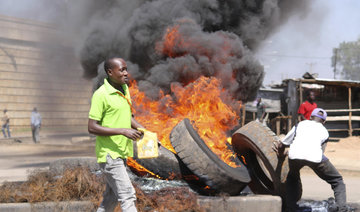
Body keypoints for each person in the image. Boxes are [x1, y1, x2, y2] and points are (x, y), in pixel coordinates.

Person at [88, 58, 144, 212]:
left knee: (110, 199)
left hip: (121, 153)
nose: (126, 73)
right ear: (110, 72)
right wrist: (123, 131)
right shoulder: (101, 95)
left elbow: (128, 117)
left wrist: (145, 131)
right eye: (122, 70)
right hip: (109, 155)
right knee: (127, 195)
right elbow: (92, 127)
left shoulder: (124, 89)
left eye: (126, 69)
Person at [274, 108, 347, 212]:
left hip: (294, 156)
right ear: (324, 122)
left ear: (310, 117)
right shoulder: (325, 131)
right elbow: (321, 152)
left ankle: (291, 208)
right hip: (315, 158)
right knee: (337, 181)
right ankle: (342, 209)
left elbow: (282, 144)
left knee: (292, 178)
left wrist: (281, 155)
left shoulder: (300, 125)